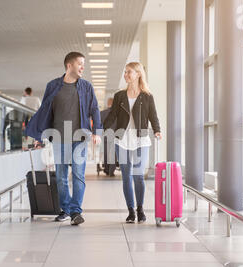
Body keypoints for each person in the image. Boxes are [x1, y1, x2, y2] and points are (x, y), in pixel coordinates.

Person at [25, 52, 102, 226]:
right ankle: (65, 209)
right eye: (80, 63)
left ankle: (76, 211)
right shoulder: (53, 86)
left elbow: (95, 109)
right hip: (59, 138)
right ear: (69, 65)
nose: (83, 67)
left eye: (84, 64)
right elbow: (45, 111)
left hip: (80, 137)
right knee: (60, 176)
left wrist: (97, 131)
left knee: (78, 174)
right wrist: (40, 135)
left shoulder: (86, 87)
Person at [104, 62, 161, 224]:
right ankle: (130, 211)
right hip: (121, 139)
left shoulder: (147, 96)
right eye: (125, 72)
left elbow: (153, 115)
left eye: (129, 72)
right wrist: (100, 130)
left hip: (141, 139)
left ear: (138, 74)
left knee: (138, 175)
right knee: (126, 177)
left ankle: (140, 209)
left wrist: (157, 129)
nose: (126, 75)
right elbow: (112, 115)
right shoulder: (119, 96)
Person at [100, 97, 117, 176]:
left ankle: (106, 169)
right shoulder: (118, 113)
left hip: (106, 136)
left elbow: (99, 125)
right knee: (114, 153)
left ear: (108, 104)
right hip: (116, 136)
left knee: (106, 153)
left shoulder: (102, 113)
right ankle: (111, 170)